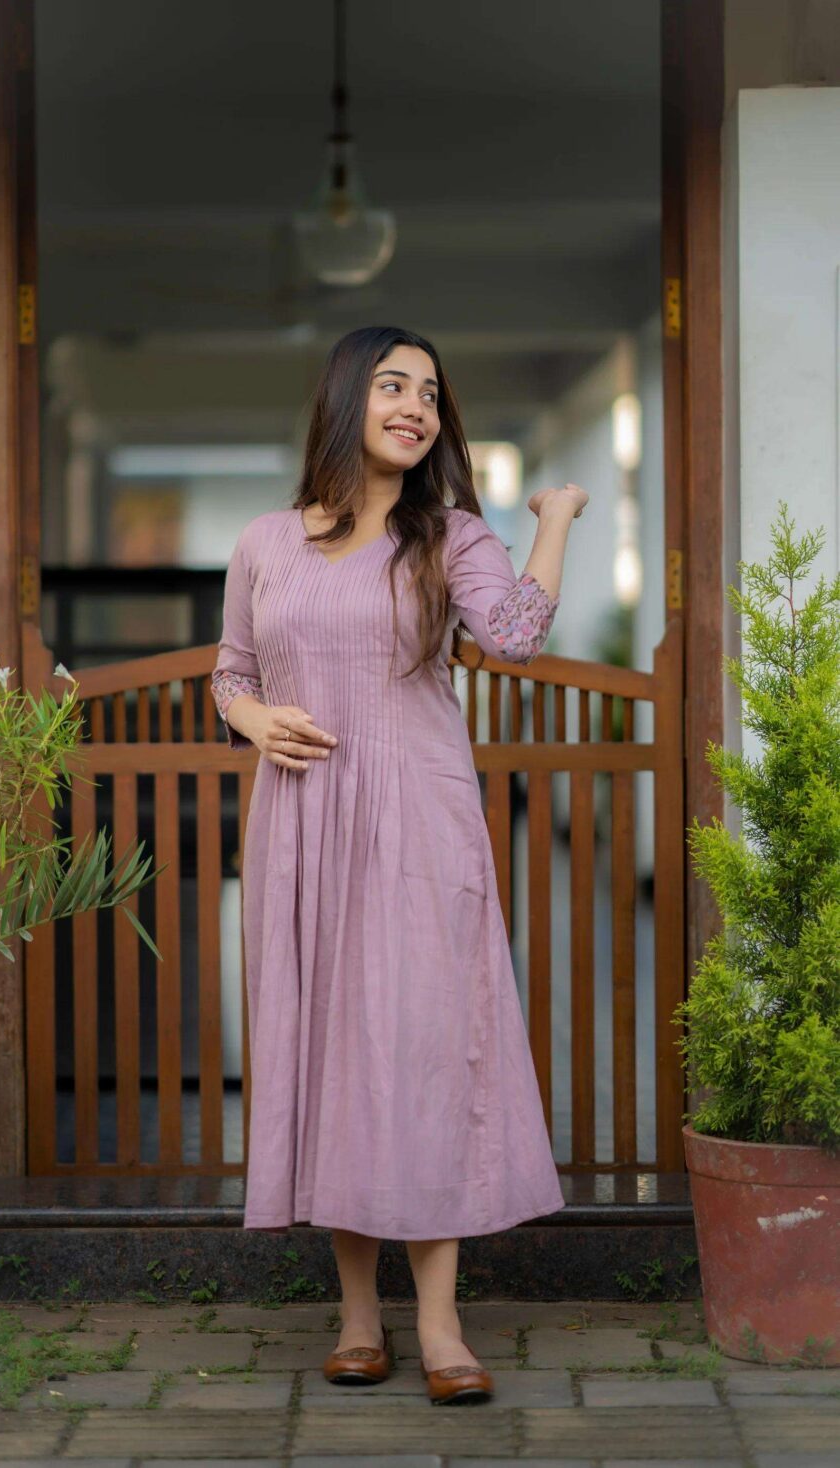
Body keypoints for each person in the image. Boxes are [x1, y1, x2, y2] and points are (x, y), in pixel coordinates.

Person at [211, 325, 588, 1405]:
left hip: (418, 823)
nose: (415, 406)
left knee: (420, 1053)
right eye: (392, 385)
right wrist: (253, 719)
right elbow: (230, 672)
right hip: (301, 824)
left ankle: (439, 1321)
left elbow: (514, 635)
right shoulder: (264, 542)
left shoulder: (450, 536)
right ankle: (357, 1316)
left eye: (429, 392)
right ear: (346, 399)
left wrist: (554, 520)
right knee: (333, 1053)